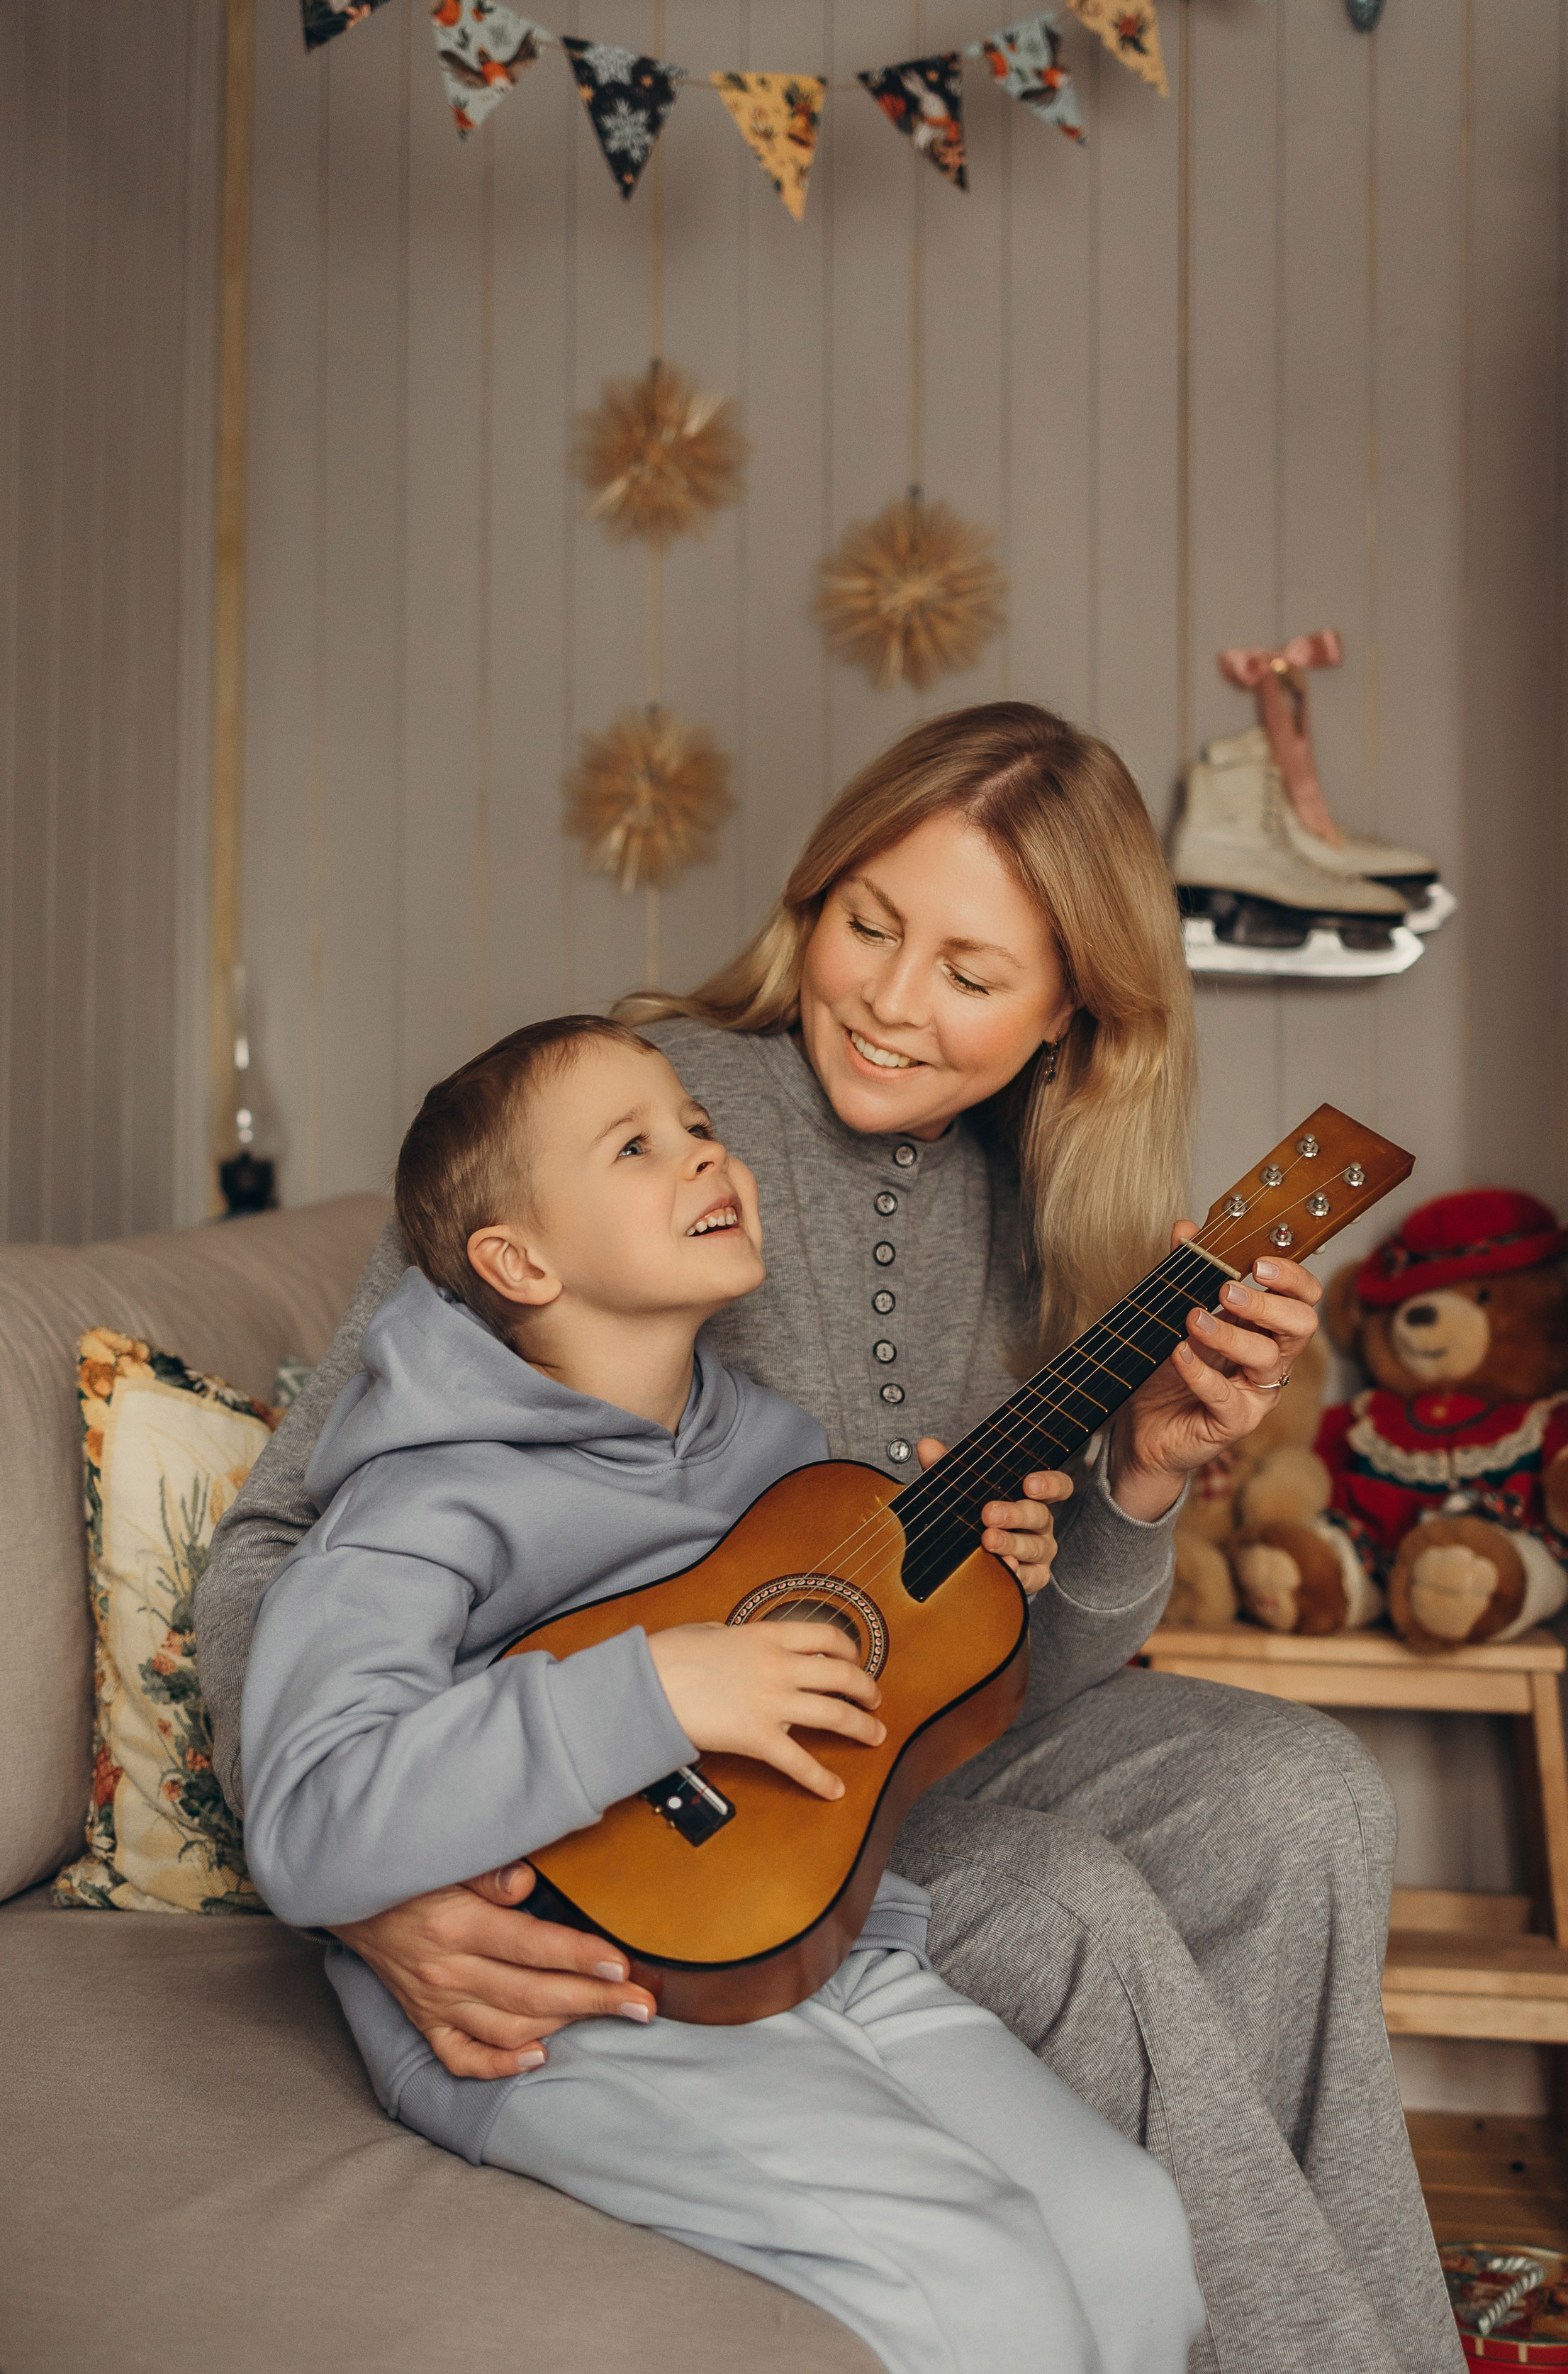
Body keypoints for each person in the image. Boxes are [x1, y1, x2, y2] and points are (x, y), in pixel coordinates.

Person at [198, 704, 1461, 2374]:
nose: (888, 998)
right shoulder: (633, 1124)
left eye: (971, 973)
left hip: (902, 1748)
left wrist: (1137, 1482)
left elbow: (1016, 1675)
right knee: (1070, 1903)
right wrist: (374, 1893)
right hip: (704, 1825)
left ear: (1074, 1008)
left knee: (1306, 1795)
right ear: (816, 895)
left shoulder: (1045, 1190)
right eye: (871, 925)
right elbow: (297, 1530)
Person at [240, 1017, 1207, 2374]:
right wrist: (651, 1690)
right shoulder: (417, 1503)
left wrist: (975, 1587)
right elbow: (307, 1815)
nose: (705, 1154)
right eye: (637, 1145)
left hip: (818, 1944)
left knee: (1130, 2225)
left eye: (697, 1124)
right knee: (979, 2277)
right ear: (518, 1260)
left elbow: (838, 1702)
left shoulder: (782, 1457)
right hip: (574, 2007)